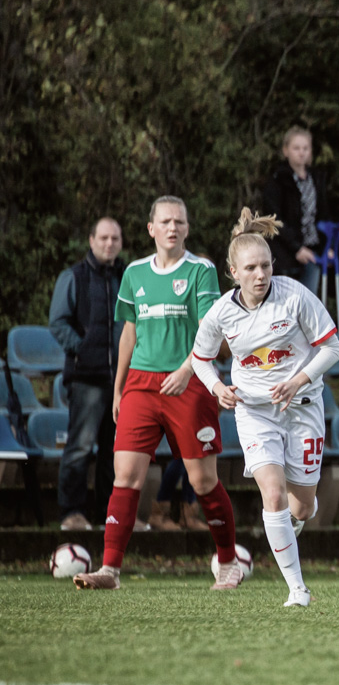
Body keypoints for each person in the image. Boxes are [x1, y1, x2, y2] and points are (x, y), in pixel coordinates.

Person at [73, 197, 243, 591]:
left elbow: (210, 330)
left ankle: (229, 562)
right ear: (151, 228)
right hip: (141, 386)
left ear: (186, 228)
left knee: (202, 481)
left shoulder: (201, 270)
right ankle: (110, 570)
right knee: (126, 476)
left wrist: (187, 370)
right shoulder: (134, 273)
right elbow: (128, 333)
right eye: (164, 221)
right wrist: (120, 388)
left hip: (192, 381)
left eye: (179, 222)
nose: (172, 227)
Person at [189, 212, 339, 607]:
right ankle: (297, 589)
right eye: (252, 268)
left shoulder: (294, 296)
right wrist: (217, 387)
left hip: (303, 408)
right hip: (255, 414)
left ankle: (297, 517)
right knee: (271, 496)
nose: (261, 274)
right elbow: (201, 358)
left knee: (302, 506)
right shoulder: (221, 312)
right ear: (233, 272)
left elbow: (332, 348)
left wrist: (297, 381)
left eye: (266, 265)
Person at [48, 217, 126, 530]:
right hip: (86, 379)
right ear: (91, 240)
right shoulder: (74, 277)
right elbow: (58, 322)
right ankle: (72, 512)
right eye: (104, 238)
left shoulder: (127, 276)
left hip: (121, 380)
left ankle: (108, 515)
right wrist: (83, 349)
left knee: (114, 451)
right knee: (80, 447)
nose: (109, 244)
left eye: (115, 238)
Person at [260, 126, 331, 292]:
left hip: (313, 251)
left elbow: (323, 213)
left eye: (305, 148)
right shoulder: (277, 180)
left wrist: (329, 245)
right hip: (286, 252)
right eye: (296, 148)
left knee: (308, 301)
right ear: (286, 150)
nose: (301, 152)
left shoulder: (316, 178)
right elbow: (274, 219)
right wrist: (296, 247)